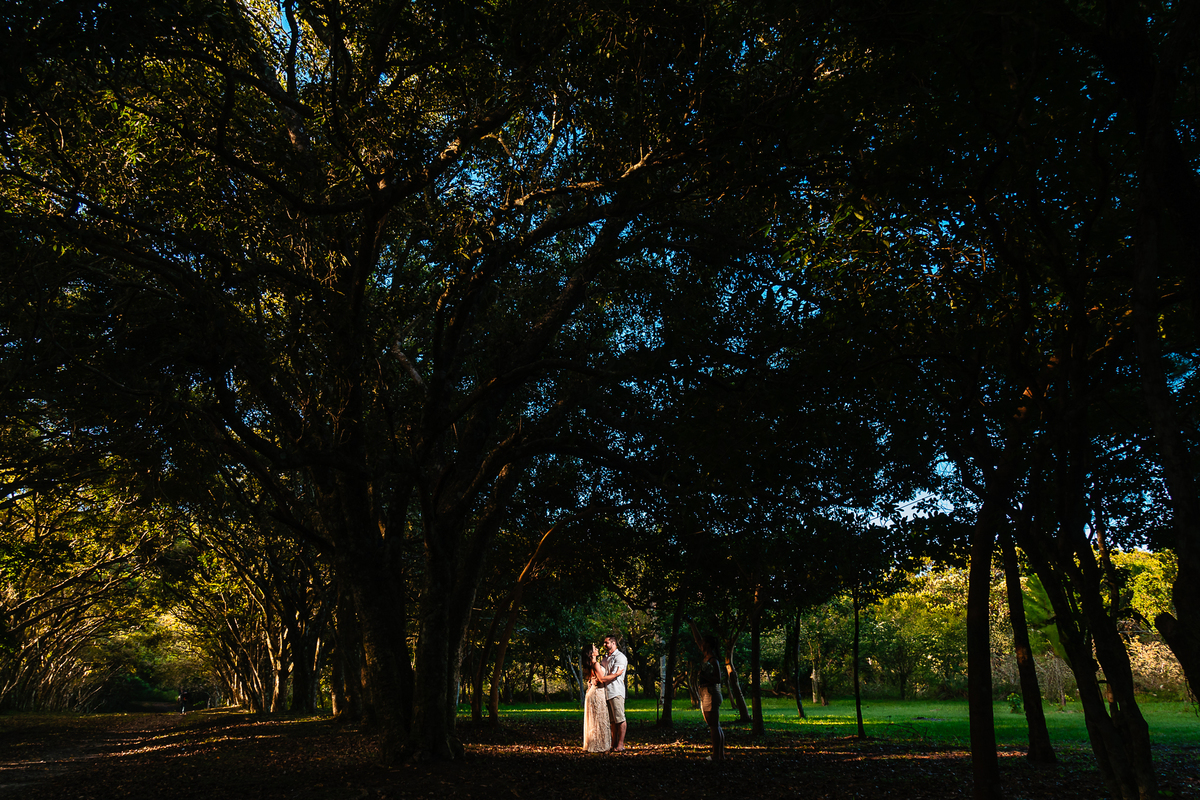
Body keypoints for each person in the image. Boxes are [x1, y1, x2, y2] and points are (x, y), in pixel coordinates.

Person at [689, 620, 725, 761]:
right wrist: (692, 624)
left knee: (714, 726)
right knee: (715, 725)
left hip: (710, 692)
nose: (701, 643)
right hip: (706, 692)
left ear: (708, 644)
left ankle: (717, 755)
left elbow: (718, 679)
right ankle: (719, 755)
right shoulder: (707, 657)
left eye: (704, 642)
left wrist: (703, 676)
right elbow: (697, 638)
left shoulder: (713, 660)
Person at [597, 633, 628, 752]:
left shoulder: (620, 657)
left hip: (616, 691)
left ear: (613, 643)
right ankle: (613, 744)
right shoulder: (605, 658)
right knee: (612, 721)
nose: (604, 645)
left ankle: (621, 744)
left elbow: (614, 676)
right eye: (604, 643)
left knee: (620, 718)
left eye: (606, 642)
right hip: (606, 692)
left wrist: (603, 679)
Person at [580, 644, 612, 752]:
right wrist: (616, 674)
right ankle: (600, 744)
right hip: (597, 692)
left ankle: (594, 743)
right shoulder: (596, 664)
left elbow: (593, 678)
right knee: (599, 718)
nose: (597, 649)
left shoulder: (590, 664)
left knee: (595, 719)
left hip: (592, 691)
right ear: (591, 653)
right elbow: (602, 679)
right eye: (594, 648)